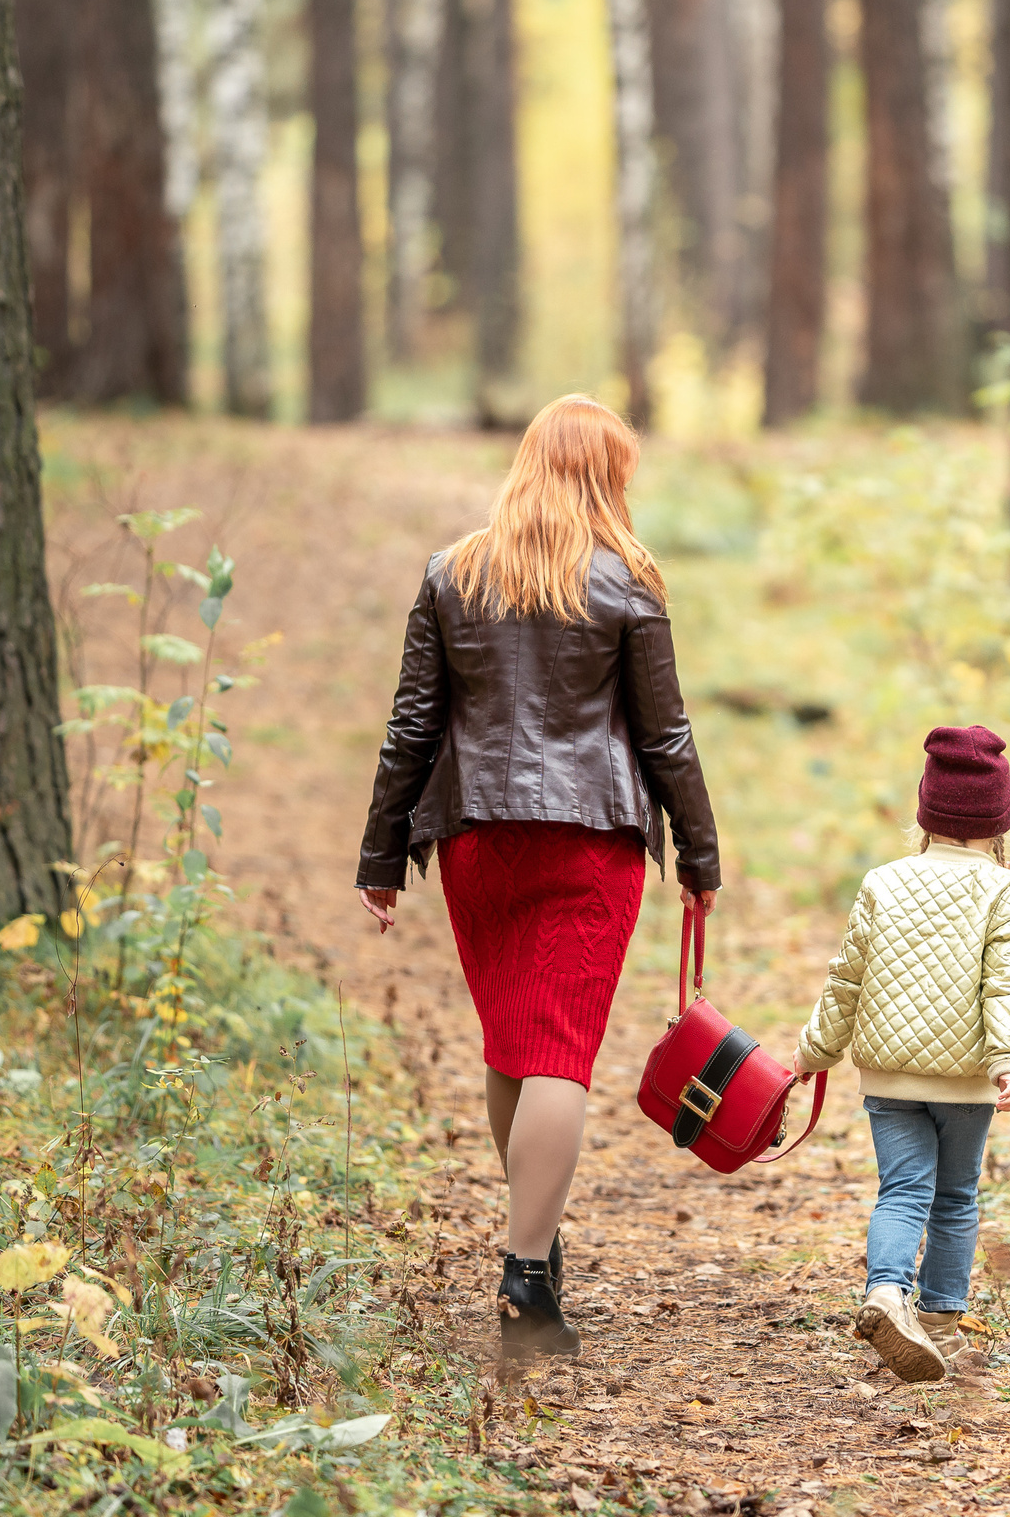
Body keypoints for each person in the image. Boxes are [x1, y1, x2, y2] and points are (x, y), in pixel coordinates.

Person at [354, 393, 719, 1359]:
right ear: (606, 476)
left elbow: (411, 727)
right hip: (589, 840)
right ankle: (525, 1275)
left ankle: (538, 1244)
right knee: (556, 1049)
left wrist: (380, 856)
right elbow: (665, 731)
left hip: (477, 841)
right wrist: (701, 853)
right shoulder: (629, 582)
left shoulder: (450, 573)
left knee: (515, 1042)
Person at [794, 725, 1010, 1383]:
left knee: (902, 1190)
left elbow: (846, 977)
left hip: (890, 1077)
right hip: (965, 1080)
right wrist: (1008, 1060)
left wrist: (813, 1052)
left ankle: (884, 1291)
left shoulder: (883, 881)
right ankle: (937, 1323)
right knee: (954, 1196)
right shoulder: (1008, 890)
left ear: (926, 810)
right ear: (998, 821)